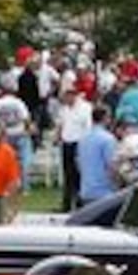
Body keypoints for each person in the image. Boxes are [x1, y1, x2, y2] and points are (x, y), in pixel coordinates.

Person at [54, 84, 92, 212]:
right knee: (67, 175)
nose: (67, 98)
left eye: (70, 95)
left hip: (79, 144)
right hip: (66, 143)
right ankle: (66, 204)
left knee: (79, 175)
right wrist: (57, 137)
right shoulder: (64, 109)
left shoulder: (85, 108)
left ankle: (80, 203)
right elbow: (61, 124)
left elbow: (88, 127)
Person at [75, 104, 120, 204]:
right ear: (105, 118)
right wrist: (118, 185)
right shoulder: (108, 139)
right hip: (104, 193)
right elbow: (112, 166)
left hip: (86, 191)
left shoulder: (83, 139)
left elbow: (78, 163)